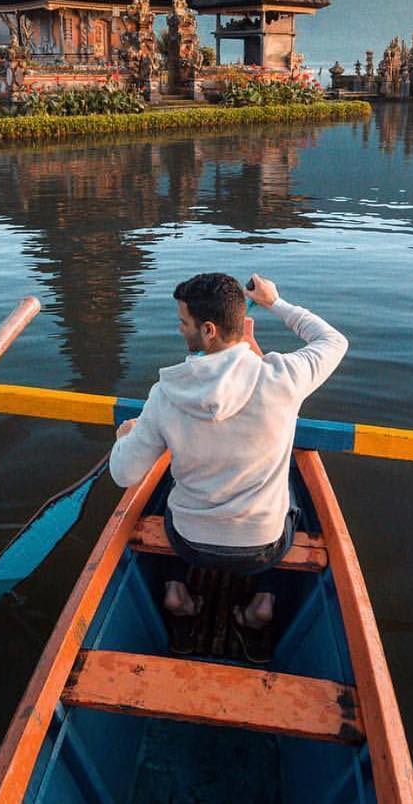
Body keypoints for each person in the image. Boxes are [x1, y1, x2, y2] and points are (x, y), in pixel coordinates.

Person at [109, 271, 347, 658]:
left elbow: (124, 474)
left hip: (188, 544)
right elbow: (333, 341)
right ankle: (260, 609)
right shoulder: (284, 376)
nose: (179, 328)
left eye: (183, 322)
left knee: (168, 486)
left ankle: (176, 593)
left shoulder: (165, 394)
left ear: (208, 330)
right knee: (292, 498)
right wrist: (275, 302)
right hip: (264, 549)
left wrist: (124, 438)